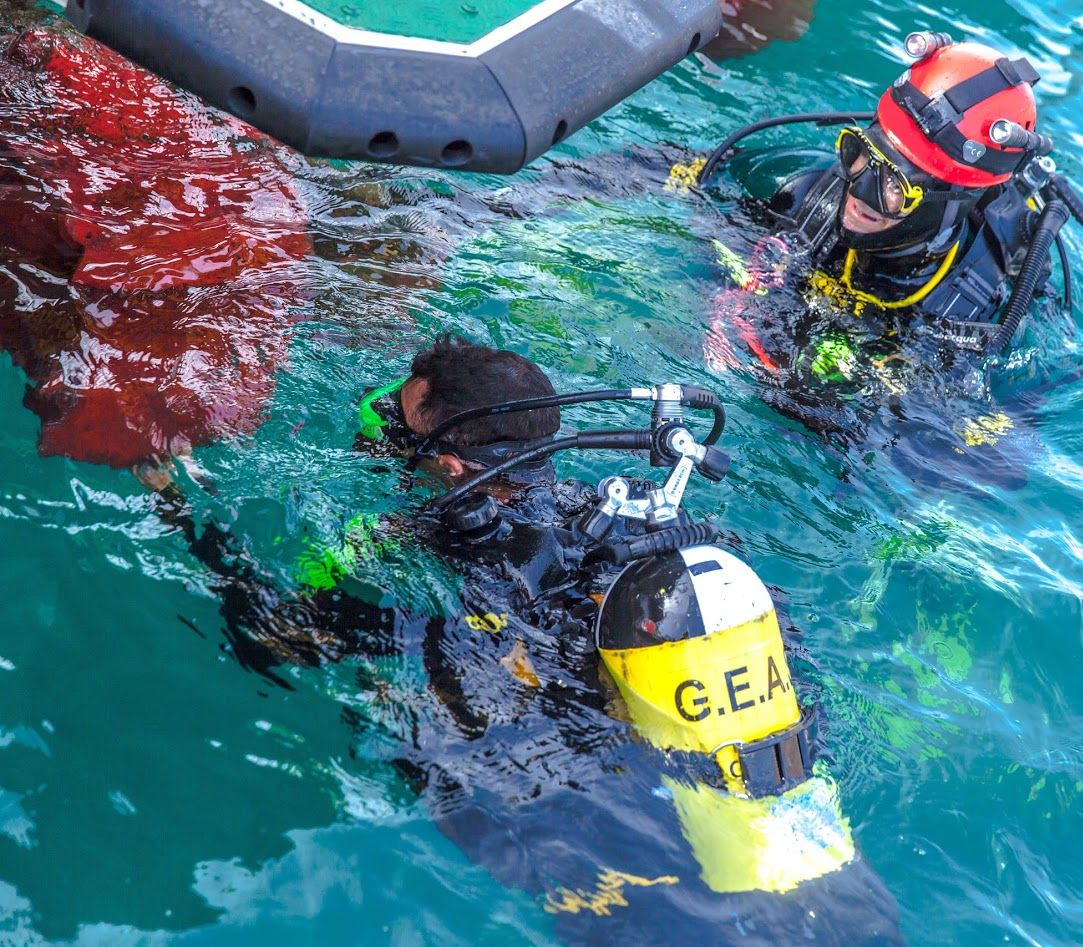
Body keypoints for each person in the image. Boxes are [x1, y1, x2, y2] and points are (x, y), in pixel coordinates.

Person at [140, 334, 905, 945]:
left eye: (399, 417)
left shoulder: (429, 555)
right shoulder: (602, 514)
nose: (382, 423)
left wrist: (181, 507)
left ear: (446, 463)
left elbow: (272, 639)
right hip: (754, 771)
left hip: (574, 813)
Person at [695, 35, 1083, 487]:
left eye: (892, 185)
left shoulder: (981, 305)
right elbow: (668, 176)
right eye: (858, 154)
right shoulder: (806, 191)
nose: (857, 191)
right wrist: (717, 296)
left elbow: (1002, 456)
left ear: (951, 203)